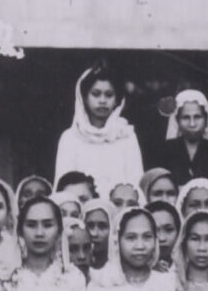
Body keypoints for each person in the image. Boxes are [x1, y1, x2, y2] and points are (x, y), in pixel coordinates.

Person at [55, 67, 144, 198]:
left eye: (109, 95)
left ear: (116, 100)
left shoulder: (126, 136)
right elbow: (63, 189)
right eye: (96, 94)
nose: (102, 100)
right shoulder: (70, 138)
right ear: (84, 98)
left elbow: (136, 184)